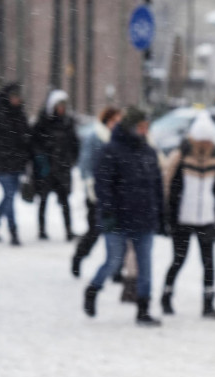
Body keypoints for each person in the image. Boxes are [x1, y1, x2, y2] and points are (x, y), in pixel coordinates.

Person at [83, 107, 165, 326]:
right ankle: (93, 289)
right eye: (142, 126)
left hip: (144, 218)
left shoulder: (149, 152)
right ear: (131, 127)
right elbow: (104, 185)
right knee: (114, 261)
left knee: (145, 265)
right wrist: (108, 212)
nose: (145, 131)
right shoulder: (112, 150)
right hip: (118, 218)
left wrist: (160, 213)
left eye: (147, 127)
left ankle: (143, 308)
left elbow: (156, 185)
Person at [159, 110, 215, 319]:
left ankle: (208, 303)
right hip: (183, 218)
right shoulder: (181, 155)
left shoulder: (214, 158)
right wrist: (167, 214)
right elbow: (167, 183)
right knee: (179, 259)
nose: (205, 145)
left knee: (209, 263)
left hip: (206, 218)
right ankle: (166, 296)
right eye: (201, 140)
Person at [71, 106, 122, 277]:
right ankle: (79, 257)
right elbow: (85, 164)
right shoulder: (95, 137)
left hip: (116, 194)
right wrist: (91, 186)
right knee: (95, 230)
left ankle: (117, 270)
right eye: (114, 120)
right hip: (97, 192)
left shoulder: (119, 139)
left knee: (118, 231)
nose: (117, 124)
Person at [0, 83, 31, 246]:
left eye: (18, 96)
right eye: (14, 96)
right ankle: (13, 231)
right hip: (1, 163)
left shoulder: (20, 115)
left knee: (9, 197)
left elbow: (26, 139)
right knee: (9, 196)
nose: (17, 99)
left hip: (17, 163)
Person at [31, 89, 80, 241]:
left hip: (62, 168)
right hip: (46, 169)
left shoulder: (68, 122)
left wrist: (71, 160)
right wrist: (41, 159)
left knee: (65, 201)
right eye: (59, 105)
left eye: (64, 106)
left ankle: (69, 230)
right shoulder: (43, 122)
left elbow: (75, 143)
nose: (61, 109)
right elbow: (34, 143)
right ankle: (41, 230)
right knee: (43, 201)